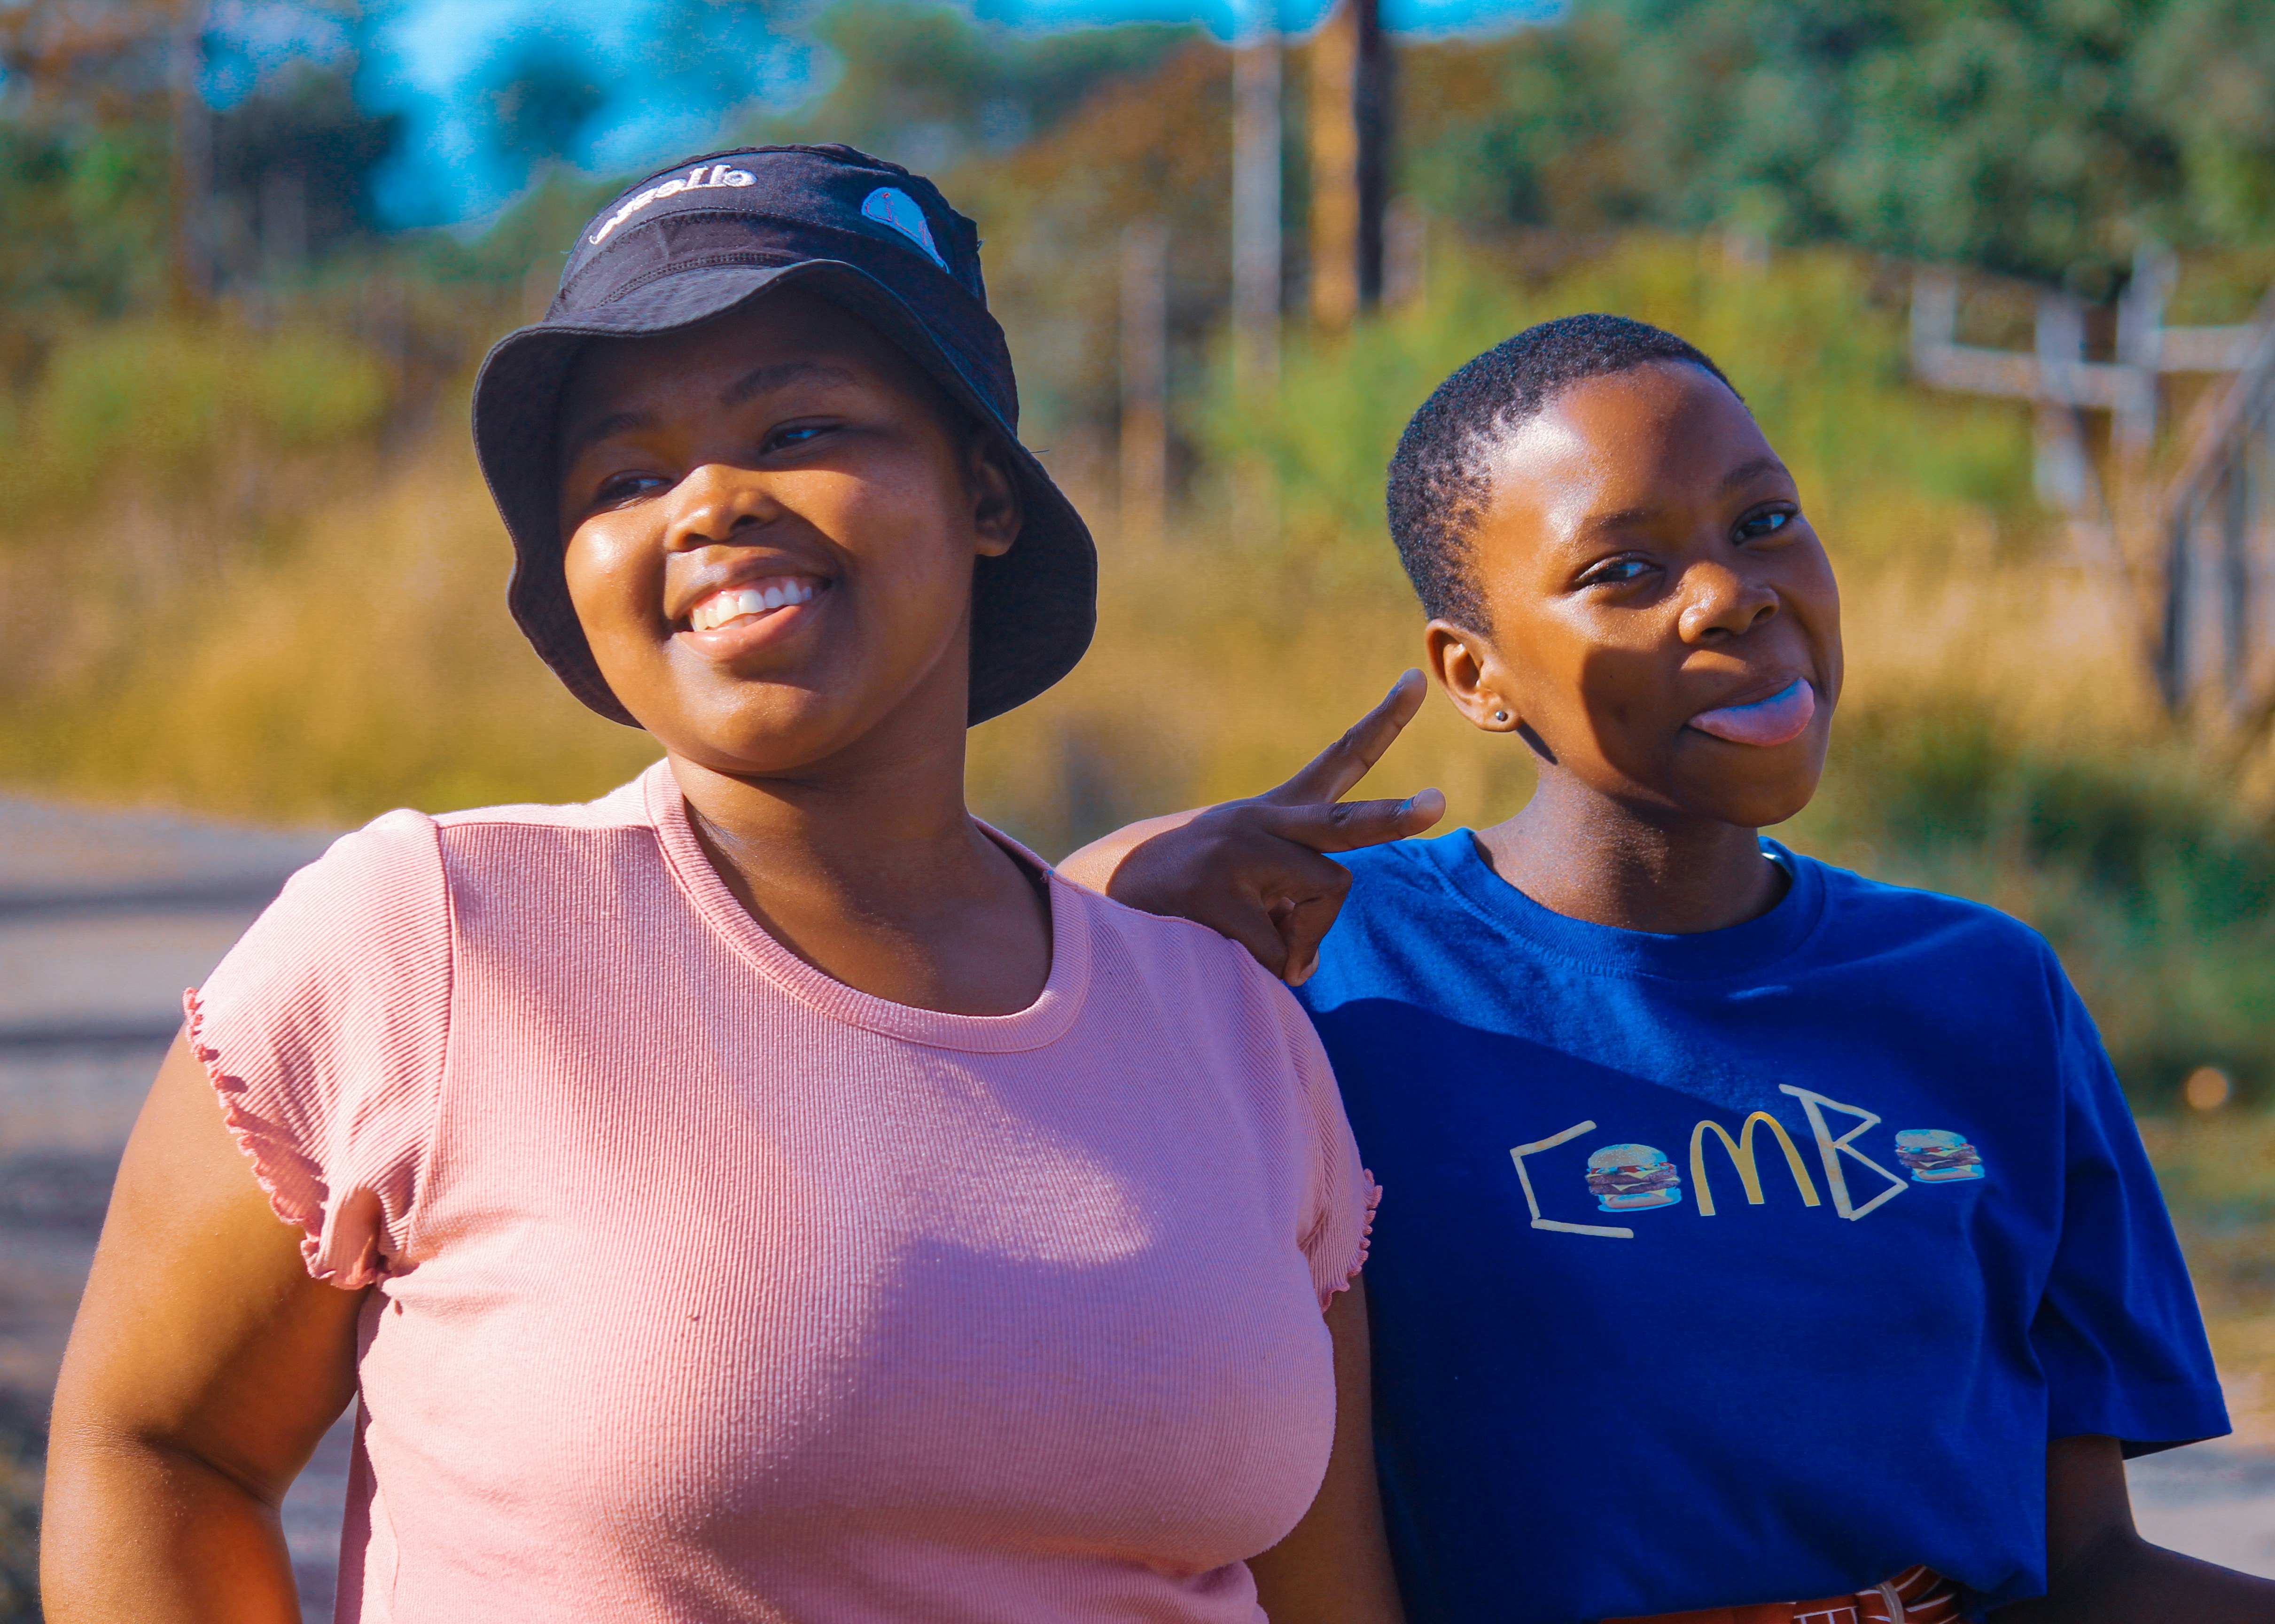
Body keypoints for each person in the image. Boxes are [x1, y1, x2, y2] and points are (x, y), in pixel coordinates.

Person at [41, 145, 1404, 1624]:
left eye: (801, 424)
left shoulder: (1232, 1032)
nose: (706, 505)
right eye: (625, 474)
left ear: (985, 493)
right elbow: (161, 1451)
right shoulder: (427, 941)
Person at [1062, 315, 2275, 1624]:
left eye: (1762, 523)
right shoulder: (1332, 980)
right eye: (1625, 568)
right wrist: (1115, 889)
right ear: (1473, 675)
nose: (1730, 594)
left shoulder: (1982, 991)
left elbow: (2083, 1567)